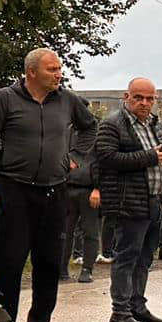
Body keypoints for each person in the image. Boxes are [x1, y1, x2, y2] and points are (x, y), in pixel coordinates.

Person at [0, 48, 97, 322]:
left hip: (55, 192)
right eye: (52, 69)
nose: (59, 74)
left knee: (49, 262)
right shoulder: (5, 99)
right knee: (10, 262)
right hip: (15, 190)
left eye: (59, 69)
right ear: (31, 73)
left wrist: (76, 158)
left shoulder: (68, 100)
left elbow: (90, 127)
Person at [95, 78, 162, 322]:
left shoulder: (153, 124)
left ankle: (137, 307)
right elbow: (107, 157)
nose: (145, 103)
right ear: (126, 96)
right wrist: (149, 156)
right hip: (128, 202)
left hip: (154, 201)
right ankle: (120, 311)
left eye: (150, 98)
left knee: (144, 258)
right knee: (126, 258)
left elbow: (160, 158)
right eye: (139, 97)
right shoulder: (112, 124)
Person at [62, 118, 101, 283]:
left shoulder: (97, 134)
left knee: (90, 231)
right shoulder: (66, 131)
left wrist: (98, 188)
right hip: (67, 188)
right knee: (64, 233)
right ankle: (61, 269)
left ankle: (87, 269)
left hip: (89, 190)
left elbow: (103, 163)